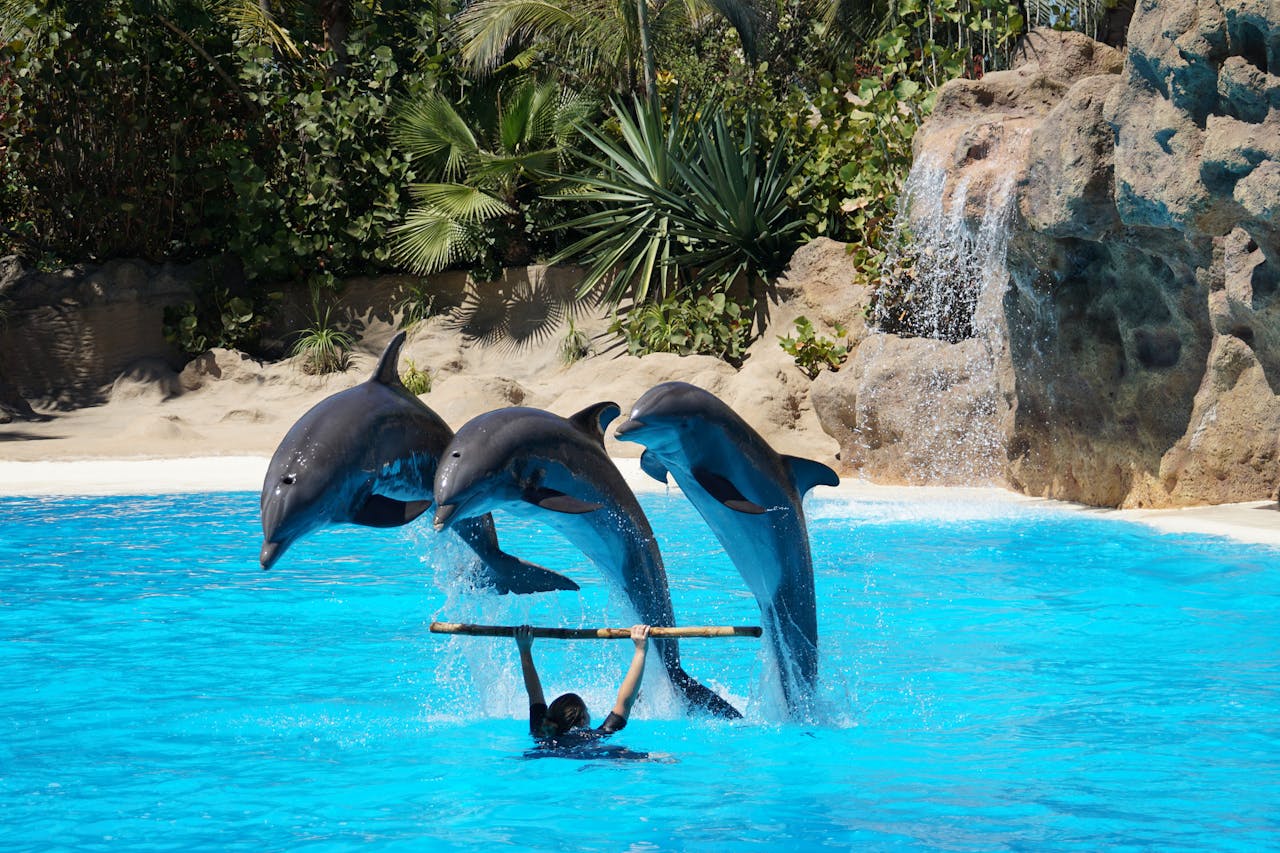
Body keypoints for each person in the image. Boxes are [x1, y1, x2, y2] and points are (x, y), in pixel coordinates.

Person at [515, 624, 651, 744]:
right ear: (582, 721)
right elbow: (625, 703)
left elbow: (534, 693)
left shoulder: (541, 733)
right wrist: (641, 650)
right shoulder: (592, 738)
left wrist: (524, 648)